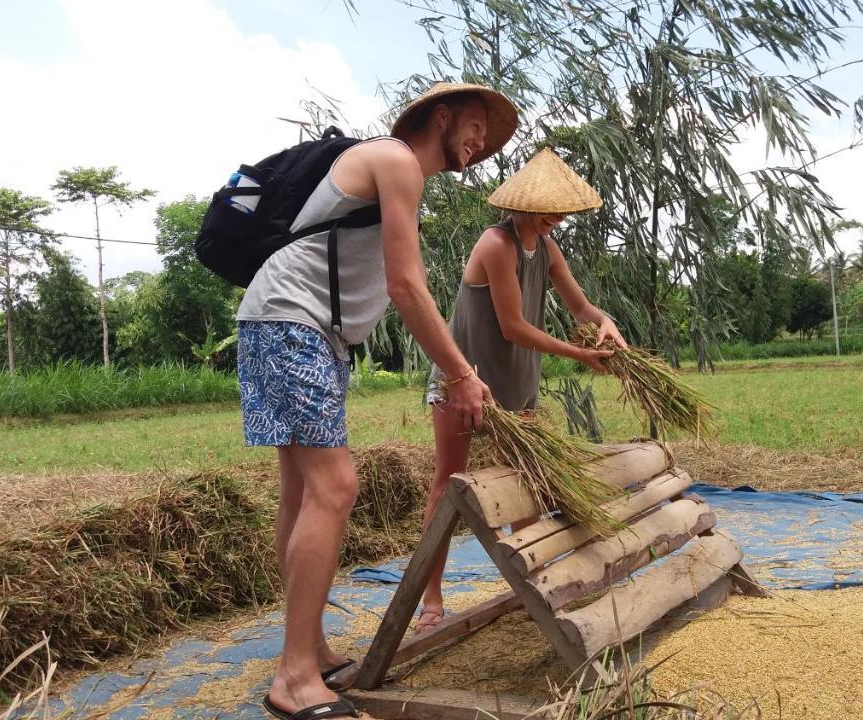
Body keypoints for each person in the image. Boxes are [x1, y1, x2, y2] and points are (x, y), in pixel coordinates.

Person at [235, 83, 517, 720]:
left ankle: (308, 648)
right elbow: (406, 283)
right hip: (290, 324)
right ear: (440, 117)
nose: (480, 143)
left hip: (294, 328)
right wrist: (462, 373)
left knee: (303, 492)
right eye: (474, 127)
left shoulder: (393, 168)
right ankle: (296, 679)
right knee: (336, 487)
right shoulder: (394, 161)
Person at [415, 147, 626, 633]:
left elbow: (581, 307)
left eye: (561, 210)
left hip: (516, 383)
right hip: (464, 380)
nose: (557, 218)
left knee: (521, 484)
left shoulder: (548, 249)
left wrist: (604, 323)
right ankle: (430, 599)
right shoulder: (495, 244)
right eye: (549, 209)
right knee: (448, 484)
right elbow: (512, 327)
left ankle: (533, 585)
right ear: (526, 206)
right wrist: (580, 356)